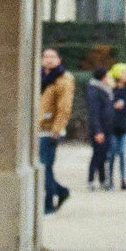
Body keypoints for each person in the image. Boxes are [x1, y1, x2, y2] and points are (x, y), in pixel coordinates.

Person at [38, 46, 75, 214]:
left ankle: (49, 202)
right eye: (45, 56)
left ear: (59, 60)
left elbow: (64, 109)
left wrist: (56, 130)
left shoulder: (64, 79)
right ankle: (61, 191)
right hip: (38, 129)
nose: (49, 59)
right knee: (43, 167)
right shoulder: (40, 77)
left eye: (52, 56)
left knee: (45, 167)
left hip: (50, 130)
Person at [106, 63, 126, 191]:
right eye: (125, 73)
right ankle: (110, 180)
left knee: (122, 154)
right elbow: (107, 106)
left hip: (123, 125)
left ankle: (123, 180)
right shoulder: (111, 89)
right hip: (112, 125)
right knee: (112, 154)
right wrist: (114, 105)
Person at [85, 65, 115, 189]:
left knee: (103, 155)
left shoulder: (105, 90)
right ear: (103, 78)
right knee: (97, 154)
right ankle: (91, 179)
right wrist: (98, 131)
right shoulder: (95, 91)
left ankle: (103, 180)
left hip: (106, 128)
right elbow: (94, 112)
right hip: (100, 129)